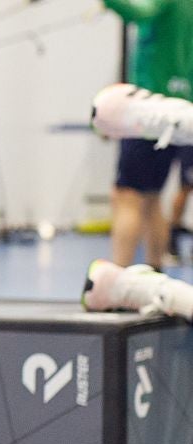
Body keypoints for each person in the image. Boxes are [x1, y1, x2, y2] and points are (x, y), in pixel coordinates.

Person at [102, 0, 193, 271]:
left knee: (127, 195)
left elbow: (140, 13)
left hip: (148, 109)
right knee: (152, 196)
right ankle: (155, 273)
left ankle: (119, 280)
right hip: (179, 109)